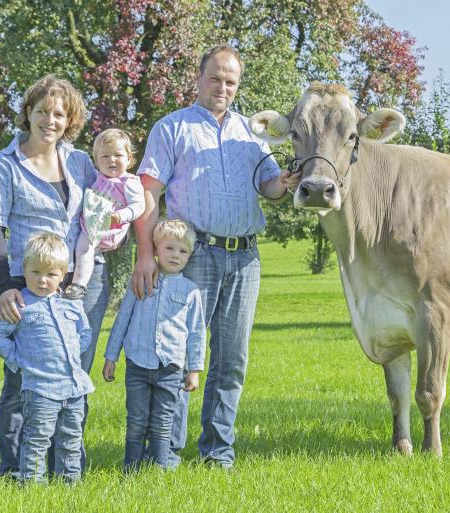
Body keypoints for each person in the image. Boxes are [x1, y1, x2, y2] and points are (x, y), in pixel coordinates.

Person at [131, 44, 292, 468]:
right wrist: (145, 254)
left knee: (231, 359)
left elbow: (270, 188)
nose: (223, 87)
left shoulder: (252, 134)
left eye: (231, 81)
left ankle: (218, 451)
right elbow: (148, 192)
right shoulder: (171, 128)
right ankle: (167, 450)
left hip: (245, 259)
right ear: (199, 79)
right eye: (216, 78)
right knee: (180, 354)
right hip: (192, 256)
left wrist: (288, 181)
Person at [0, 75, 109, 476]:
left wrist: (114, 229)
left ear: (69, 120)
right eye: (42, 111)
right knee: (24, 380)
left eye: (59, 113)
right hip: (27, 283)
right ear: (28, 113)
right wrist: (5, 289)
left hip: (80, 284)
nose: (49, 120)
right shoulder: (2, 165)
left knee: (72, 374)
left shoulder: (80, 162)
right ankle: (16, 469)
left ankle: (65, 467)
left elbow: (101, 210)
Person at [0, 232, 94, 483]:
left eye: (51, 274)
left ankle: (69, 484)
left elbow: (85, 332)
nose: (42, 280)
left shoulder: (71, 306)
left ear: (63, 275)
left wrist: (74, 352)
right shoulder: (20, 304)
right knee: (37, 439)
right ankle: (32, 487)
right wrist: (18, 360)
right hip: (40, 389)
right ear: (24, 270)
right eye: (35, 272)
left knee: (71, 438)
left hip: (74, 388)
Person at [103, 219, 205, 470]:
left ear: (189, 256)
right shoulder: (140, 281)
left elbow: (196, 333)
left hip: (170, 369)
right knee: (136, 420)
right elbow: (122, 320)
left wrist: (194, 370)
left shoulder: (191, 292)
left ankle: (157, 471)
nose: (175, 255)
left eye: (182, 251)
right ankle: (131, 469)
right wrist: (110, 356)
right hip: (137, 365)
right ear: (156, 249)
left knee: (162, 422)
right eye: (169, 248)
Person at [64, 128, 144, 300]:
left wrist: (120, 216)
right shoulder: (97, 178)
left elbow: (138, 206)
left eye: (118, 155)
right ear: (96, 161)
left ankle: (79, 284)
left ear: (129, 158)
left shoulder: (128, 182)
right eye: (105, 156)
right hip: (94, 224)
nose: (112, 160)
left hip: (110, 228)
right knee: (84, 249)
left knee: (85, 248)